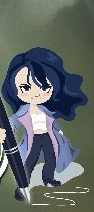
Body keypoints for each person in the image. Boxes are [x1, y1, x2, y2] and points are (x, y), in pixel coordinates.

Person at [0, 48, 87, 200]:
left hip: (47, 136)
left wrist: (60, 133)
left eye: (44, 87)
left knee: (51, 157)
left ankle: (48, 178)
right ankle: (24, 184)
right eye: (26, 88)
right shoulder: (24, 111)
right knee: (30, 161)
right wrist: (4, 131)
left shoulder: (45, 109)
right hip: (34, 138)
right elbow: (12, 123)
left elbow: (52, 123)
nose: (35, 93)